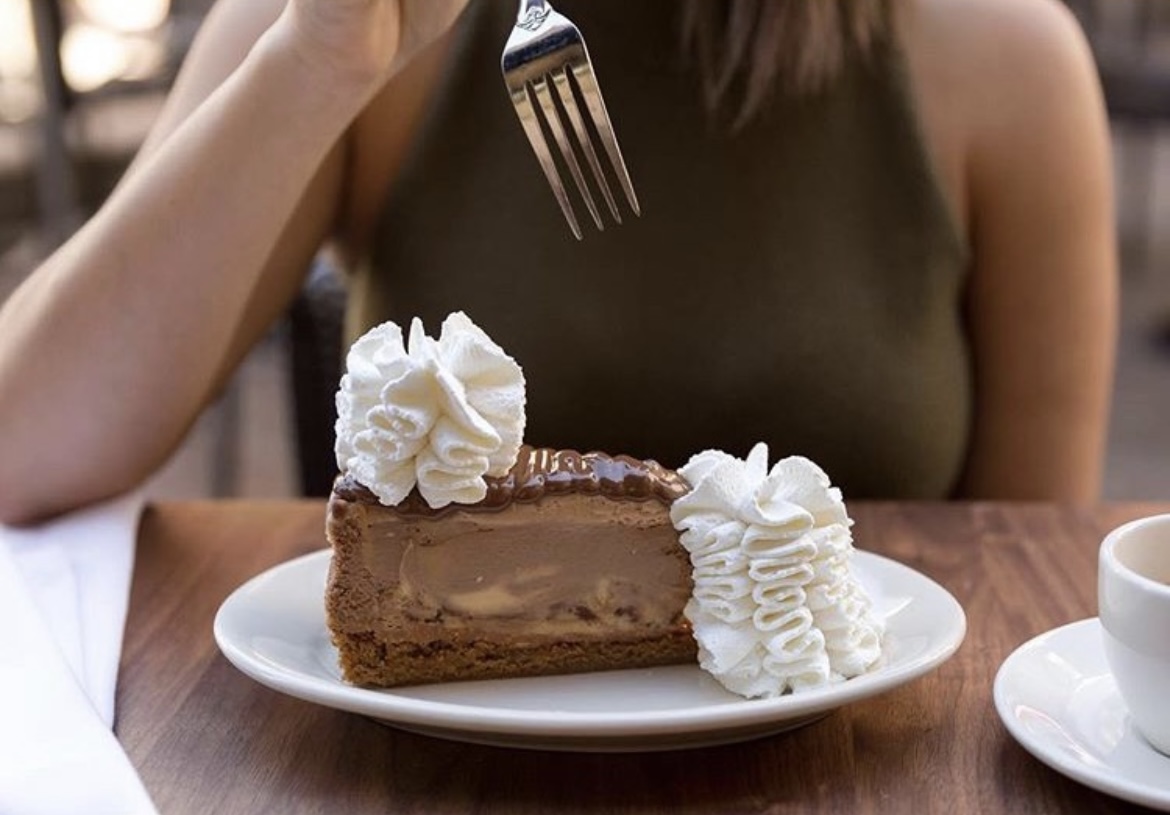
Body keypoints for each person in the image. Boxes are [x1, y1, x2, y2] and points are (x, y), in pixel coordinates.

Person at [0, 0, 1117, 525]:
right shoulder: (366, 28)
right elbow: (26, 445)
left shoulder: (1002, 59)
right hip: (434, 800)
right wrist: (318, 58)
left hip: (865, 800)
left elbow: (1033, 583)